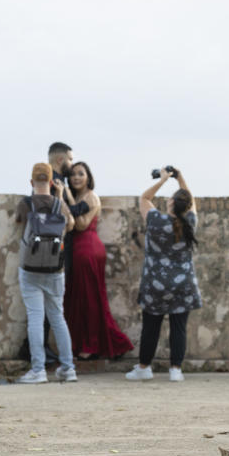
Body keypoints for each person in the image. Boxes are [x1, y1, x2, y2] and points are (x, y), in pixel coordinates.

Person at [126, 167, 201, 382]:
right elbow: (190, 200)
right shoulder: (190, 223)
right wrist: (181, 178)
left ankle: (144, 367)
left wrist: (164, 179)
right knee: (179, 327)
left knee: (151, 326)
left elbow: (145, 198)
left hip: (155, 284)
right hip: (183, 284)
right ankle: (176, 370)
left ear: (170, 204)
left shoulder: (155, 220)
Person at [61, 162, 134, 359]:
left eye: (80, 174)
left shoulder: (91, 197)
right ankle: (83, 343)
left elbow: (82, 225)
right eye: (73, 174)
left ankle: (93, 345)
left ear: (88, 177)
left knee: (91, 299)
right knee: (80, 298)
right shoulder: (78, 198)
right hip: (79, 250)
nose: (76, 177)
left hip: (88, 249)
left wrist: (66, 196)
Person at [14, 162, 78, 383]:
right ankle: (68, 368)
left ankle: (38, 370)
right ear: (51, 182)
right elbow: (70, 224)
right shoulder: (59, 205)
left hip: (30, 268)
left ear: (32, 182)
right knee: (58, 317)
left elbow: (18, 222)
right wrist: (59, 197)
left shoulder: (25, 204)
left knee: (35, 318)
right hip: (55, 268)